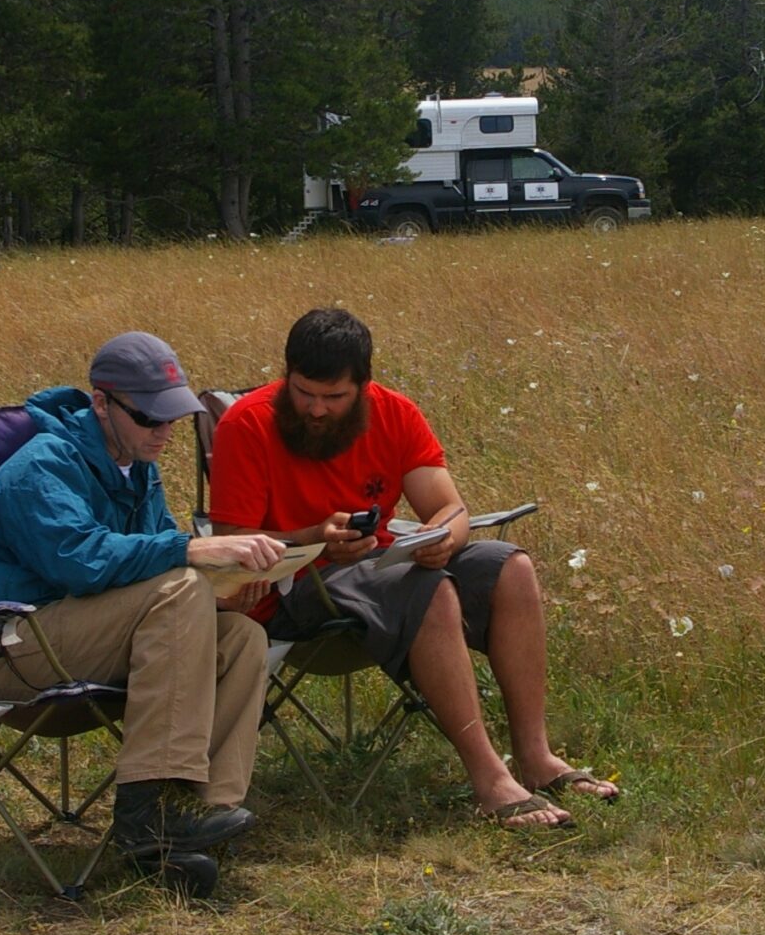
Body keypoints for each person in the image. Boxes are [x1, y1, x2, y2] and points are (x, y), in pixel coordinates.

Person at [208, 307, 620, 829]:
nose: (315, 409)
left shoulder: (395, 413)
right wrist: (315, 537)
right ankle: (492, 780)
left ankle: (535, 757)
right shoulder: (246, 423)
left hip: (384, 568)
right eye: (303, 391)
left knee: (509, 566)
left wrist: (443, 540)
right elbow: (230, 547)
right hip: (296, 587)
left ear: (364, 384)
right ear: (285, 373)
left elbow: (451, 509)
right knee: (425, 587)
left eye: (334, 397)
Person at [0, 331, 286, 864]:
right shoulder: (38, 468)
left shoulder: (137, 467)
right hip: (10, 648)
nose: (165, 432)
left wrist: (225, 594)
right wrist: (193, 551)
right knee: (180, 585)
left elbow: (148, 570)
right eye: (150, 418)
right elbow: (80, 563)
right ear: (101, 403)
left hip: (86, 639)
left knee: (242, 636)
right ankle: (144, 815)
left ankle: (201, 812)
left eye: (172, 417)